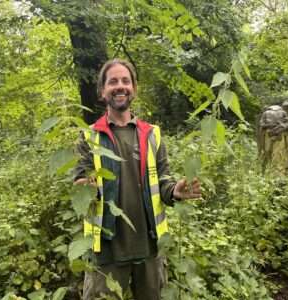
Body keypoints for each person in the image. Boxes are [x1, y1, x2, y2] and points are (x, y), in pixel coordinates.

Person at [74, 58, 201, 300]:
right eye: (113, 81)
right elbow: (81, 183)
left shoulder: (152, 134)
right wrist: (85, 188)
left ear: (134, 89)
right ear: (102, 91)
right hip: (107, 249)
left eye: (125, 81)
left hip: (150, 248)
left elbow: (162, 181)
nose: (120, 86)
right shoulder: (88, 137)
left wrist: (175, 191)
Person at [258, 102, 288, 173]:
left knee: (275, 152)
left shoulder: (266, 113)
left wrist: (279, 127)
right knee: (272, 152)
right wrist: (278, 126)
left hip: (275, 134)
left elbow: (261, 124)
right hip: (272, 134)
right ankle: (271, 169)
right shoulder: (282, 112)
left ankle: (276, 170)